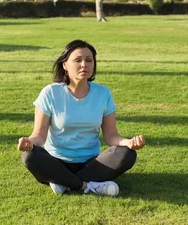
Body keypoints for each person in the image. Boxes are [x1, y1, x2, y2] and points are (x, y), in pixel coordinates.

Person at [17, 39, 145, 197]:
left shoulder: (103, 94)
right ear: (65, 65)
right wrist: (30, 143)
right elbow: (40, 135)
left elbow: (111, 135)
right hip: (56, 161)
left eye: (89, 60)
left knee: (128, 153)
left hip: (91, 163)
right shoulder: (50, 93)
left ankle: (63, 182)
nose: (84, 64)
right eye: (77, 60)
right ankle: (86, 185)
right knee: (29, 155)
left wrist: (129, 143)